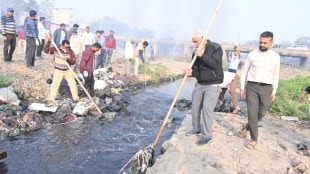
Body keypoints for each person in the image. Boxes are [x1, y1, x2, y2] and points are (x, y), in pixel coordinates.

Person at [239, 31, 280, 150]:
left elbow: (276, 75)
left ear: (271, 42)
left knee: (261, 113)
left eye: (265, 43)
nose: (262, 44)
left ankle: (247, 127)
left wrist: (274, 91)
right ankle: (253, 139)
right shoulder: (252, 54)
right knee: (252, 113)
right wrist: (242, 87)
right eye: (260, 42)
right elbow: (244, 71)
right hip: (252, 86)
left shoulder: (275, 57)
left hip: (267, 88)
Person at [185, 30, 223, 145]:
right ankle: (196, 128)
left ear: (203, 39)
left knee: (207, 108)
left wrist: (202, 55)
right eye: (193, 42)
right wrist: (191, 73)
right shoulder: (195, 52)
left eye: (195, 41)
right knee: (195, 106)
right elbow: (197, 70)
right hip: (200, 83)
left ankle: (207, 135)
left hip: (213, 84)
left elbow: (215, 64)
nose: (194, 44)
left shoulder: (216, 48)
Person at [44, 38, 79, 103]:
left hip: (67, 71)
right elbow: (46, 51)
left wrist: (68, 60)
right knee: (55, 84)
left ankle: (76, 98)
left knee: (73, 84)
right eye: (66, 47)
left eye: (69, 47)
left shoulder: (70, 51)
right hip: (58, 70)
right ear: (62, 46)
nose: (68, 48)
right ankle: (51, 99)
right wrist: (48, 41)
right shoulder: (56, 49)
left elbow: (73, 61)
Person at [228, 46, 242, 113]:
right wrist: (233, 50)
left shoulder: (238, 58)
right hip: (229, 71)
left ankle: (236, 106)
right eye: (235, 51)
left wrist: (237, 51)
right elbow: (230, 54)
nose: (236, 52)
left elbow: (239, 55)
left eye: (237, 51)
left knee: (232, 90)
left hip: (234, 72)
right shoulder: (232, 56)